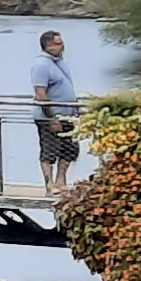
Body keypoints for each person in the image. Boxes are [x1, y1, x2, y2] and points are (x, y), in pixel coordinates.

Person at [26, 30, 84, 194]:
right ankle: (49, 184)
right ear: (48, 46)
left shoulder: (59, 62)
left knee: (70, 149)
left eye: (61, 43)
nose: (62, 46)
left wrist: (77, 108)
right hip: (50, 116)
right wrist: (51, 118)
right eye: (58, 43)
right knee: (50, 150)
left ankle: (61, 181)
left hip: (68, 115)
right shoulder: (41, 65)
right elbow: (41, 93)